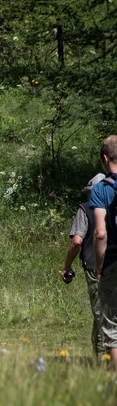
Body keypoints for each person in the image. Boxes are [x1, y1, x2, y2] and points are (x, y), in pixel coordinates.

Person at [62, 173, 107, 358]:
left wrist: (67, 266)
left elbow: (77, 241)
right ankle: (99, 359)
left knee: (101, 314)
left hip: (95, 268)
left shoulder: (86, 209)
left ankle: (107, 361)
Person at [90, 135, 117, 369]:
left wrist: (99, 268)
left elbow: (100, 233)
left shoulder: (101, 190)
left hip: (113, 263)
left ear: (105, 158)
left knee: (112, 327)